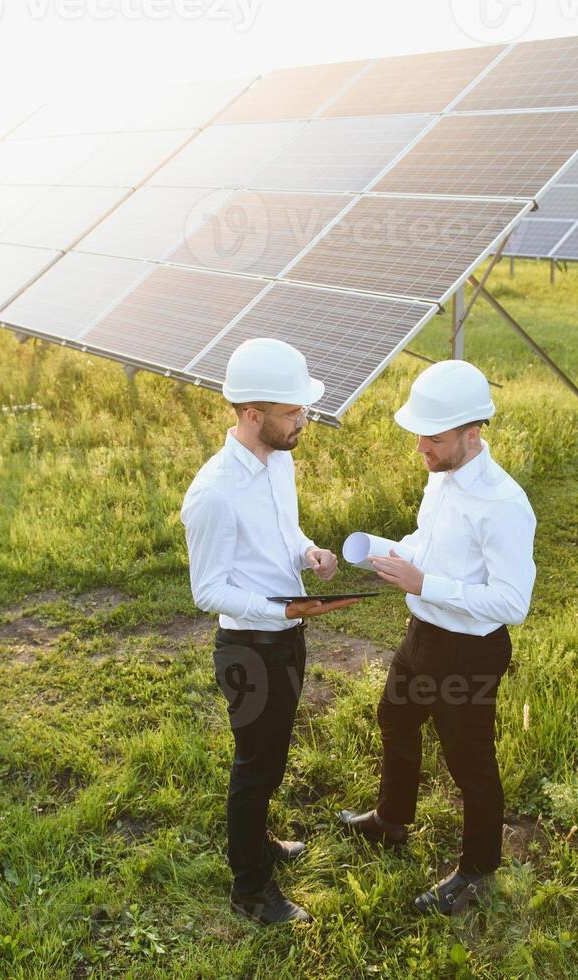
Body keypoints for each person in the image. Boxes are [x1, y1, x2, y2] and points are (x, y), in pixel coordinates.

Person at [338, 360, 537, 915]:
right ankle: (391, 820)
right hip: (423, 632)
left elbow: (510, 602)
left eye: (435, 435)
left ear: (473, 433)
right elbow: (431, 539)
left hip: (469, 652)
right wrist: (397, 552)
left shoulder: (503, 505)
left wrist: (427, 582)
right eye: (419, 432)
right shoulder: (440, 475)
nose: (421, 445)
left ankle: (477, 870)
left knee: (469, 762)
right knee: (395, 718)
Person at [180, 338, 358, 926]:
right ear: (253, 415)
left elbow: (283, 532)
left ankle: (259, 843)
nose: (303, 421)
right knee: (255, 768)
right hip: (248, 650)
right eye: (292, 413)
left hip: (285, 638)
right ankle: (251, 891)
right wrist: (285, 612)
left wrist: (310, 554)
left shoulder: (280, 460)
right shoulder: (212, 494)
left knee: (273, 758)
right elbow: (207, 591)